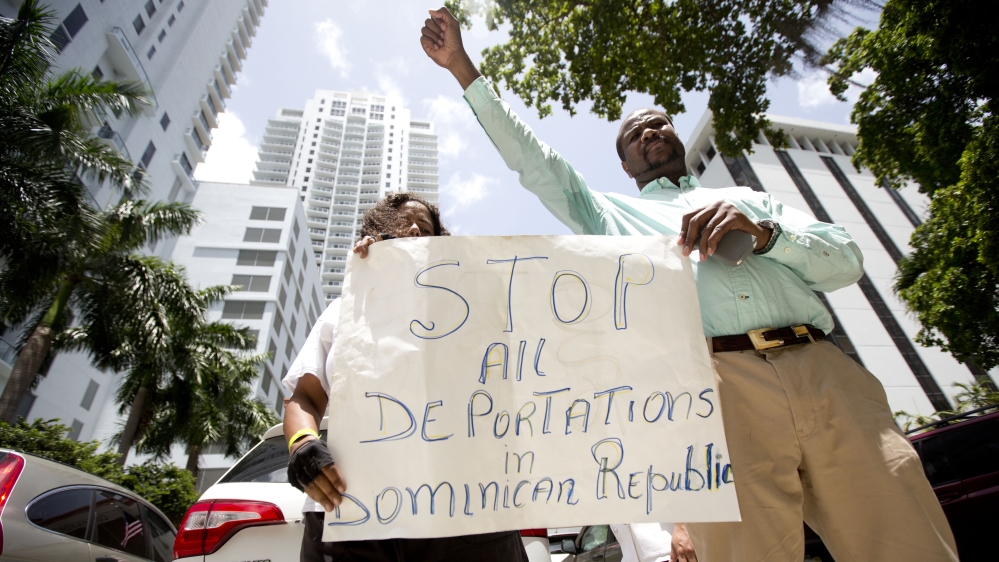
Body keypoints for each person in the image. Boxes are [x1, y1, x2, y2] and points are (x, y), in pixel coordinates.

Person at [419, 7, 959, 562]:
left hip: (826, 372)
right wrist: (464, 68)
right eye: (634, 133)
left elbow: (845, 262)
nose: (649, 131)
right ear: (627, 165)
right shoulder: (609, 218)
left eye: (659, 122)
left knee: (905, 539)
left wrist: (766, 234)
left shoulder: (755, 202)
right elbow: (538, 164)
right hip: (718, 393)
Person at [281, 193, 530, 562]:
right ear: (374, 235)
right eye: (398, 226)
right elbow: (306, 398)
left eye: (424, 228)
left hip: (467, 514)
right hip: (352, 517)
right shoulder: (344, 310)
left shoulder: (473, 308)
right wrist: (302, 444)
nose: (413, 229)